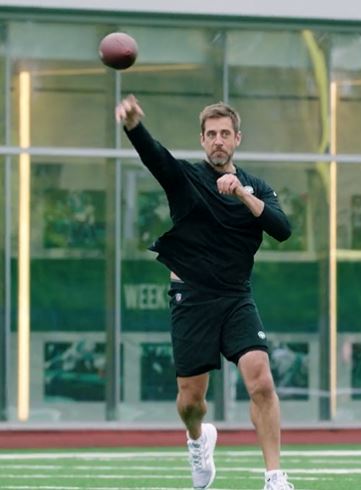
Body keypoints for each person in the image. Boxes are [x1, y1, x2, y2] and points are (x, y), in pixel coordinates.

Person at [116, 95, 294, 490]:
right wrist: (133, 126)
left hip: (235, 298)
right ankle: (199, 440)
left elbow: (282, 229)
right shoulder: (187, 179)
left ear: (237, 139)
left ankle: (275, 476)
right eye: (211, 134)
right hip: (191, 299)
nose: (218, 140)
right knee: (191, 402)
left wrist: (243, 195)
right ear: (202, 140)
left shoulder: (257, 188)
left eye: (225, 134)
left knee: (261, 380)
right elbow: (155, 156)